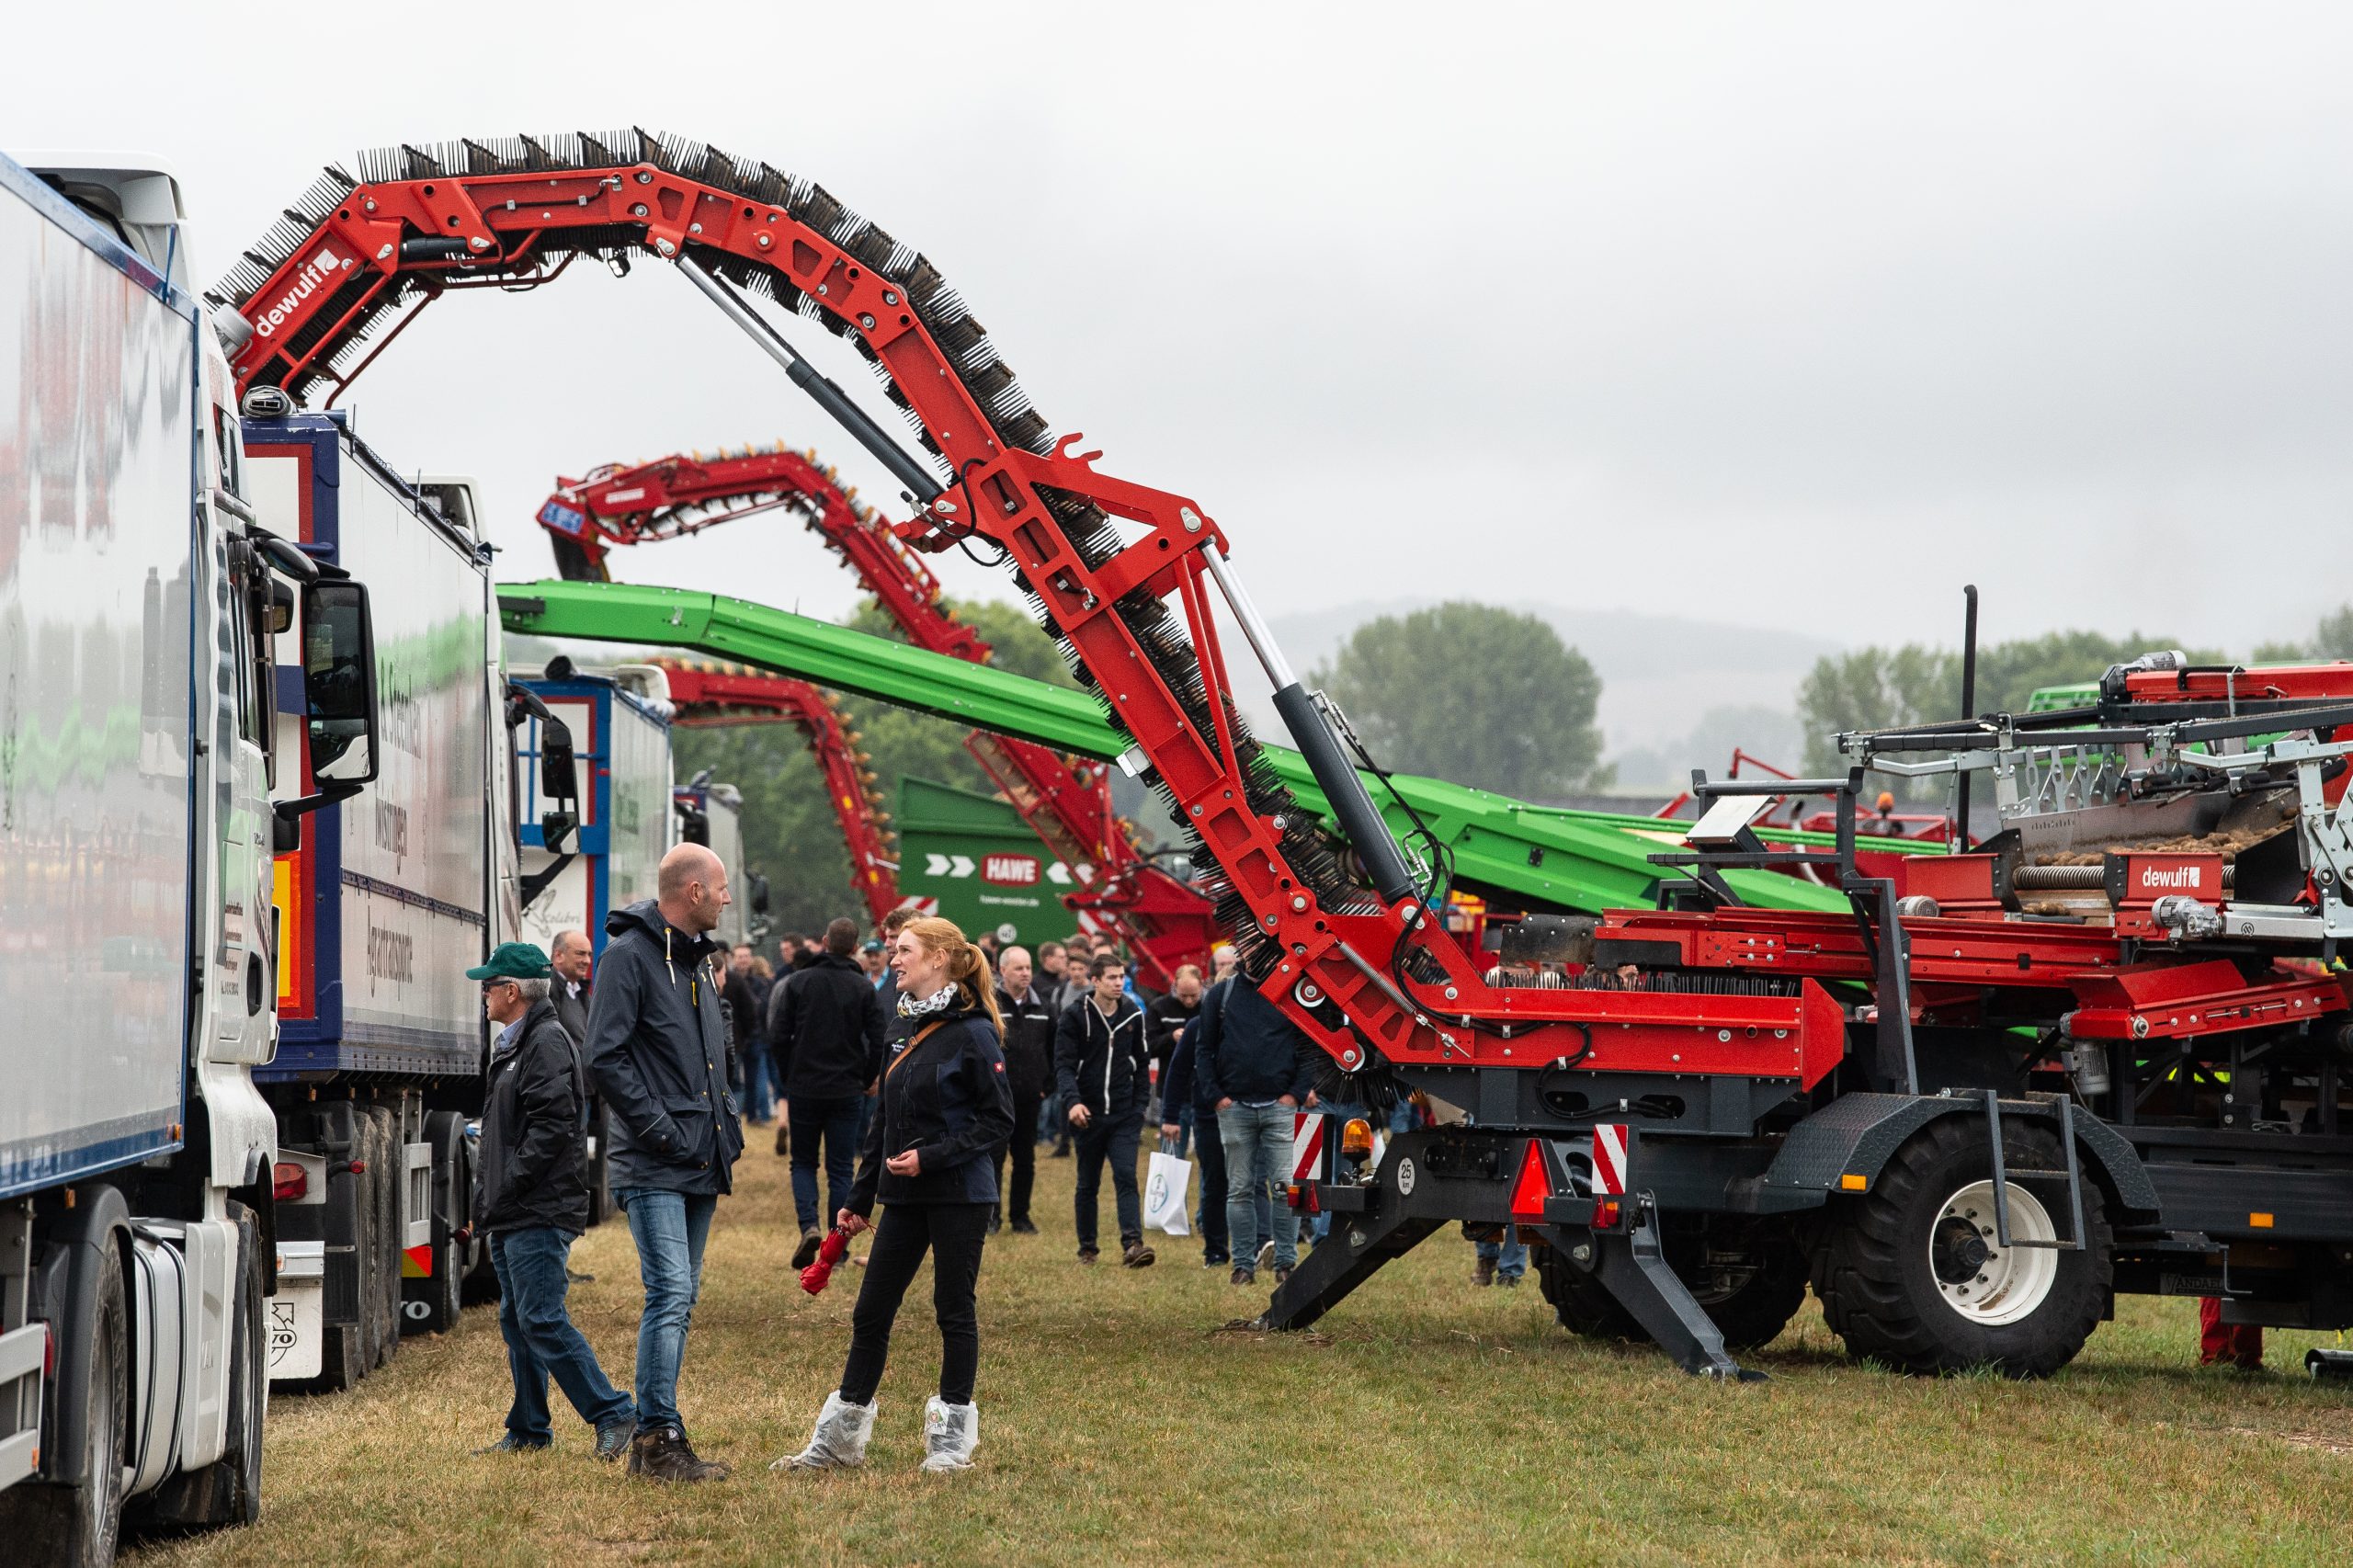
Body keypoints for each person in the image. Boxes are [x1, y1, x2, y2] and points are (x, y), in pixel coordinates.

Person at [780, 916, 1013, 1474]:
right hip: (902, 1198)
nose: (893, 957)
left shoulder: (976, 1031)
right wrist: (858, 1199)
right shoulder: (900, 1027)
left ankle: (951, 1445)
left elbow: (998, 1119)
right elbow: (882, 1120)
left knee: (953, 1310)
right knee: (871, 1311)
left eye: (904, 949)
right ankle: (838, 1445)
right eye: (893, 948)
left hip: (959, 1193)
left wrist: (931, 1157)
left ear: (938, 958)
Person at [584, 842, 743, 1483]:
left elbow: (708, 1061)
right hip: (655, 1161)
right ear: (695, 892)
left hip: (699, 1158)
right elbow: (605, 1057)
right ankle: (656, 1440)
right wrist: (658, 1129)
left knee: (684, 1293)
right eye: (723, 887)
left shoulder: (698, 964)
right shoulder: (629, 958)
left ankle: (662, 1431)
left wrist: (722, 1132)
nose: (728, 898)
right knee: (670, 1292)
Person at [468, 941, 635, 1460]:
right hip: (514, 1206)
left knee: (540, 1317)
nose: (484, 996)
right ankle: (529, 1428)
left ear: (512, 992)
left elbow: (553, 1128)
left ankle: (613, 1413)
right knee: (517, 1318)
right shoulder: (518, 1043)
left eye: (489, 987)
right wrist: (489, 1196)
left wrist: (508, 1185)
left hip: (536, 1207)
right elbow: (508, 1131)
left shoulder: (544, 1043)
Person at [771, 917, 887, 1269]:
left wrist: (788, 1075)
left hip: (805, 1086)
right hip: (846, 1089)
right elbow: (879, 1039)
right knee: (840, 1168)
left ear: (824, 941)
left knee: (803, 1163)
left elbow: (777, 1035)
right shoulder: (863, 988)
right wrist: (867, 1078)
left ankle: (809, 1226)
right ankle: (836, 1248)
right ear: (855, 950)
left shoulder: (799, 982)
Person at [1194, 971, 1314, 1288]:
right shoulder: (1222, 994)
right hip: (1235, 1108)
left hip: (1280, 1106)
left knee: (1284, 1187)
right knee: (1240, 1189)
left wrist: (1295, 1095)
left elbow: (1309, 1044)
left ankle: (1286, 1263)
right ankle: (1243, 1265)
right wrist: (1218, 1097)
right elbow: (1204, 1049)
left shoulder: (1293, 993)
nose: (1255, 948)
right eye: (1249, 943)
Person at [1055, 952, 1154, 1267]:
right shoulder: (1075, 1015)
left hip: (1124, 1113)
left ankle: (1133, 1245)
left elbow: (1141, 1065)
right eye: (1111, 977)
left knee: (1126, 1175)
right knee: (1088, 1182)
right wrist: (1073, 1102)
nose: (1118, 983)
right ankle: (1088, 1248)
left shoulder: (1133, 1015)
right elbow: (1064, 1065)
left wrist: (1139, 1108)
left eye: (1121, 976)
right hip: (1088, 1113)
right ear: (1095, 980)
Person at [990, 947, 1054, 1235]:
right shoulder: (990, 1004)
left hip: (1030, 1097)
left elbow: (1054, 1050)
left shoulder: (1044, 1007)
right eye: (1019, 968)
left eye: (1028, 968)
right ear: (1003, 971)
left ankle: (1021, 1217)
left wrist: (1046, 1085)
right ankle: (991, 1216)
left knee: (1025, 1158)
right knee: (994, 1158)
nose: (1026, 973)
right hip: (996, 1098)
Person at [1143, 965, 1204, 1131]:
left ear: (1201, 985)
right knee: (1172, 1152)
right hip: (1172, 1092)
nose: (1189, 1001)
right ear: (1175, 986)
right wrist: (1171, 1038)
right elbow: (1147, 1047)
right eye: (1184, 996)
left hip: (1204, 1091)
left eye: (1194, 996)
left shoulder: (1209, 1006)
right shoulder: (1159, 1008)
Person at [724, 943, 771, 1127]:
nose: (743, 960)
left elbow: (761, 1009)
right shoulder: (727, 980)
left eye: (746, 956)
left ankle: (754, 1115)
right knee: (734, 1081)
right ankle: (734, 1118)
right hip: (734, 1038)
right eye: (740, 956)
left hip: (753, 1037)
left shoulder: (759, 982)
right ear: (734, 958)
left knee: (754, 1079)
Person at [550, 929, 595, 1049]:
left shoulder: (582, 994)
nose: (587, 961)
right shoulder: (546, 992)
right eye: (580, 953)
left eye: (589, 954)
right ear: (559, 955)